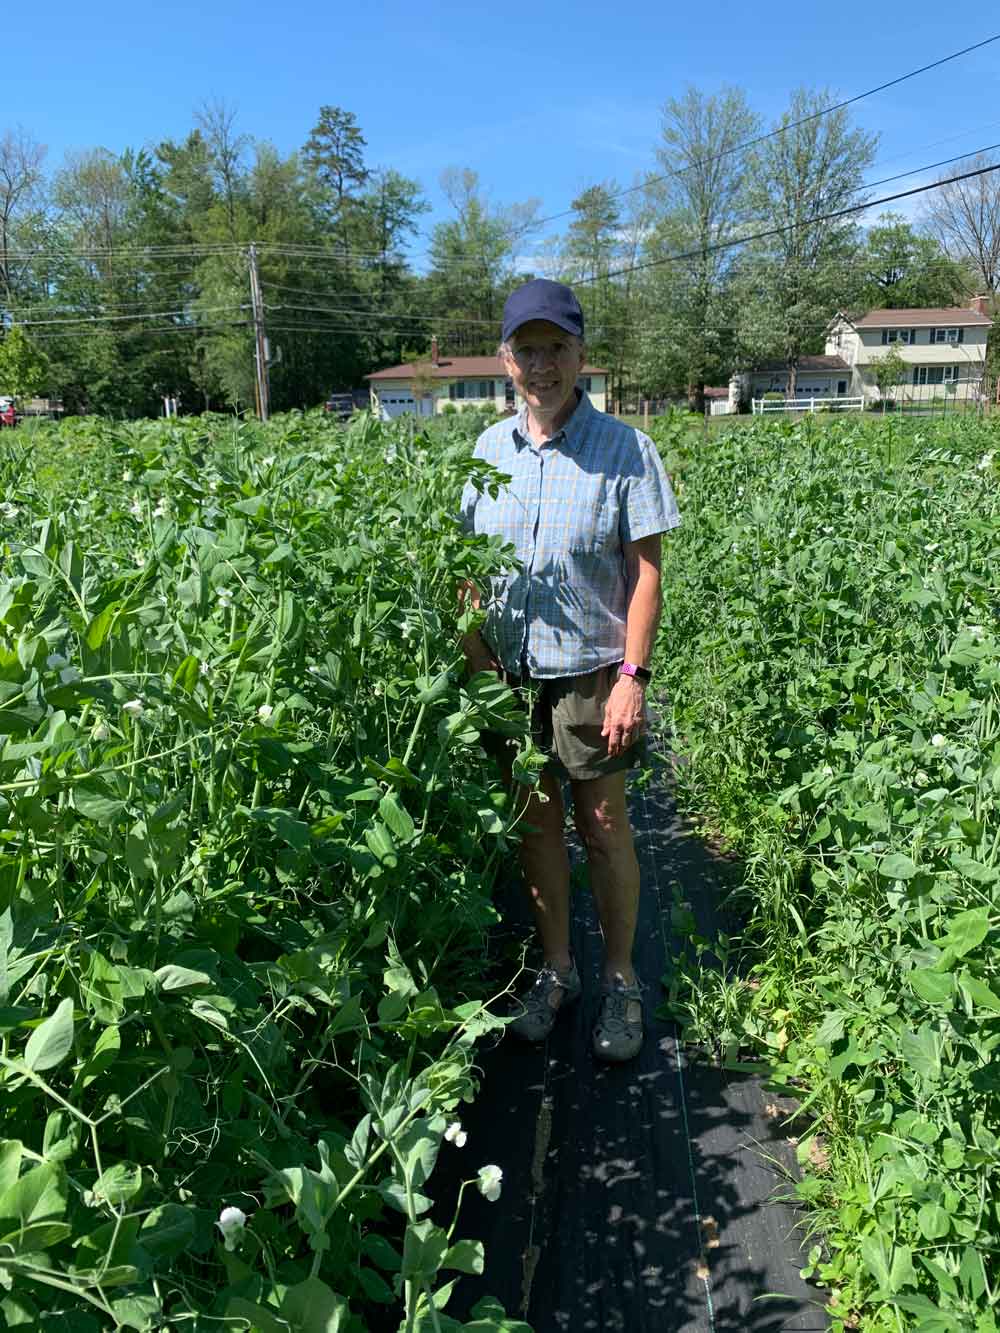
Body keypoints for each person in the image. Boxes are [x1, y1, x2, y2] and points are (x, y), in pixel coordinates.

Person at [459, 279, 681, 1062]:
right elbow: (466, 570)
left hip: (592, 671)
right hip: (511, 676)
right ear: (505, 359)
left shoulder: (626, 448)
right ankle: (557, 971)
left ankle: (619, 979)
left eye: (556, 348)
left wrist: (633, 674)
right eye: (528, 348)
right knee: (537, 826)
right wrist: (476, 656)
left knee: (605, 826)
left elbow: (646, 572)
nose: (541, 364)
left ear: (582, 355)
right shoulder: (487, 451)